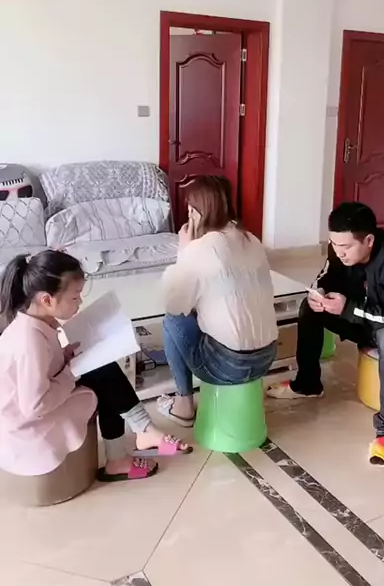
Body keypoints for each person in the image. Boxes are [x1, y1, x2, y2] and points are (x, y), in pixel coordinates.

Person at [268, 202, 384, 467]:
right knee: (309, 308)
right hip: (364, 320)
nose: (339, 252)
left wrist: (349, 308)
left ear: (369, 240)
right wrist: (319, 293)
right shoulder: (338, 249)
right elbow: (326, 276)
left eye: (346, 247)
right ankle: (308, 383)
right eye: (334, 244)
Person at [0, 250, 191, 484]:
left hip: (32, 408)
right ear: (47, 300)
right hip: (29, 427)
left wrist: (64, 357)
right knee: (103, 381)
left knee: (101, 366)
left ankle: (141, 434)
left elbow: (38, 372)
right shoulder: (30, 341)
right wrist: (70, 372)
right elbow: (34, 406)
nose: (79, 303)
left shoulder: (35, 322)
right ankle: (132, 443)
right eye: (74, 297)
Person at [157, 175, 278, 426]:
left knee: (172, 320)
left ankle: (183, 404)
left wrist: (184, 251)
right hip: (266, 358)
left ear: (195, 212)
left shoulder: (201, 248)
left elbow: (173, 303)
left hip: (227, 366)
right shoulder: (251, 239)